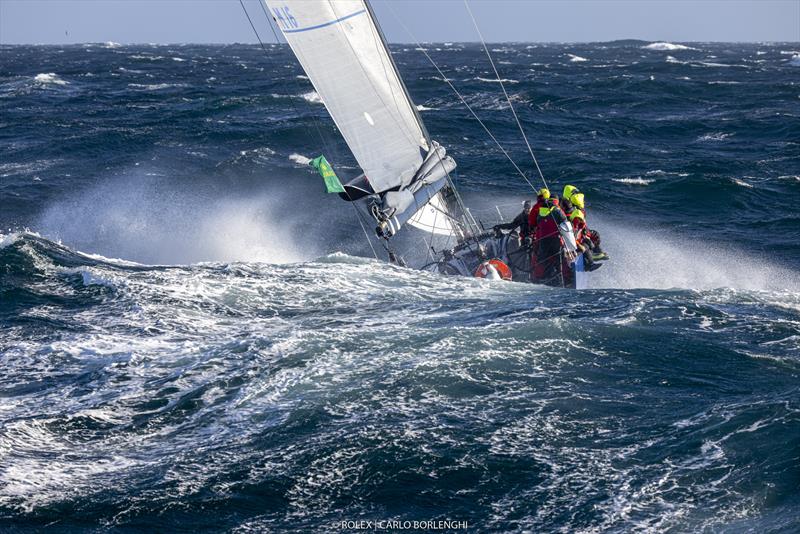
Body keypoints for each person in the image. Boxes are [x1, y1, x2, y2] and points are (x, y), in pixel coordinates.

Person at [529, 193, 568, 285]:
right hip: (555, 239)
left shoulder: (541, 210)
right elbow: (566, 223)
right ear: (557, 201)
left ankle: (546, 279)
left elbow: (537, 222)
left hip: (543, 239)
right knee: (559, 259)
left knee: (545, 259)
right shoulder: (558, 210)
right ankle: (561, 280)